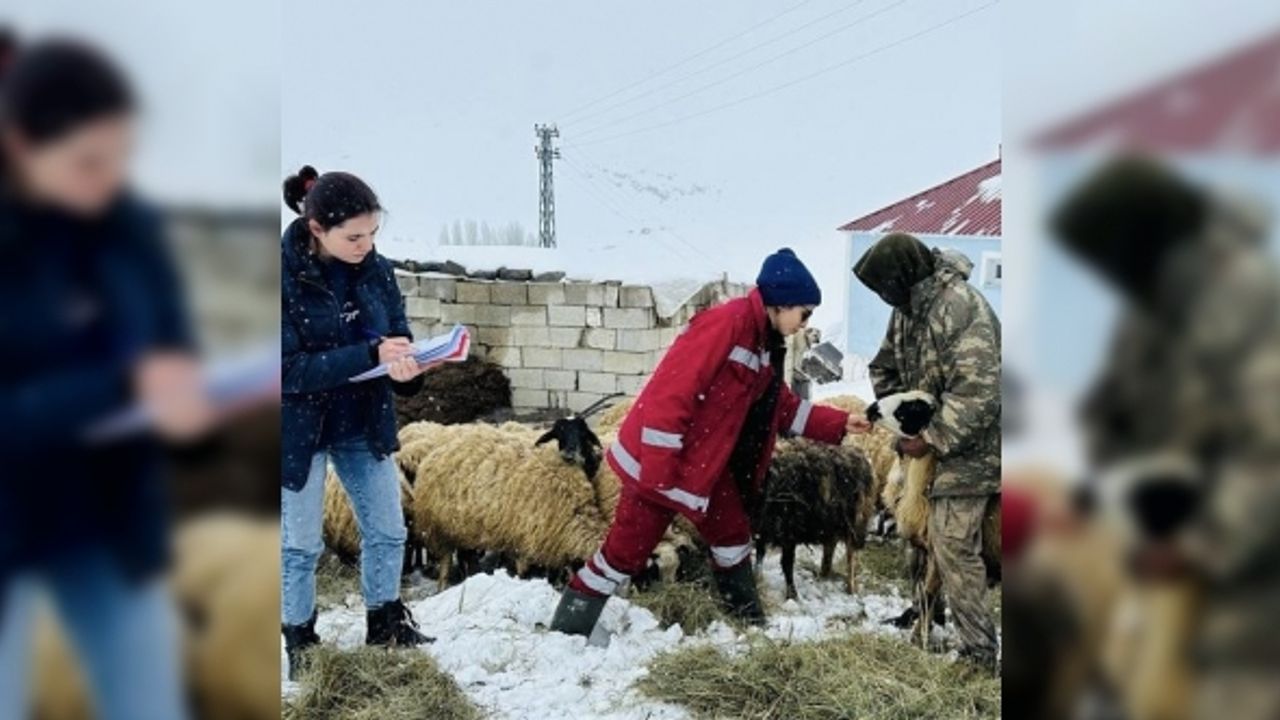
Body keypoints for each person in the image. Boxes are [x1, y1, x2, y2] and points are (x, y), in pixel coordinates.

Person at [0, 37, 204, 720]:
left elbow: (171, 346)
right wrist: (123, 388)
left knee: (150, 705)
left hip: (110, 519)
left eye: (120, 156)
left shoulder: (131, 231)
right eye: (89, 161)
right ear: (23, 143)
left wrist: (185, 407)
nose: (109, 178)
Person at [1052, 156, 1280, 720]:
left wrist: (1199, 544)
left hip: (1248, 566)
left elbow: (1268, 452)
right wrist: (1090, 487)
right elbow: (1116, 404)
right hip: (1159, 542)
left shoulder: (1252, 301)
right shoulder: (1153, 301)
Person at [549, 248, 865, 636]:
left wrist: (841, 422)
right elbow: (672, 392)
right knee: (623, 554)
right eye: (804, 312)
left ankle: (747, 623)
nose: (805, 323)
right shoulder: (725, 326)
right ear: (781, 304)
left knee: (732, 535)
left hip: (704, 469)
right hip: (664, 466)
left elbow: (779, 408)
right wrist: (660, 473)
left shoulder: (762, 344)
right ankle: (568, 629)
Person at [279, 166, 434, 678]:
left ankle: (385, 622)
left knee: (389, 529)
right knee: (300, 544)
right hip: (298, 427)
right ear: (317, 228)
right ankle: (301, 642)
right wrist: (368, 351)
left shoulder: (377, 270)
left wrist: (409, 368)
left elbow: (396, 335)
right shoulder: (281, 276)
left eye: (372, 234)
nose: (365, 245)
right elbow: (288, 370)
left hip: (361, 419)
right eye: (353, 236)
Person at [853, 232, 1002, 672]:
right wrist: (902, 413)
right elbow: (884, 366)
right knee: (920, 531)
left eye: (885, 287)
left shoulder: (960, 307)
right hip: (930, 443)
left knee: (954, 542)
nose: (883, 297)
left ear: (902, 277)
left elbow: (980, 391)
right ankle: (927, 610)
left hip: (976, 445)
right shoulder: (908, 312)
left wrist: (932, 436)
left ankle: (978, 653)